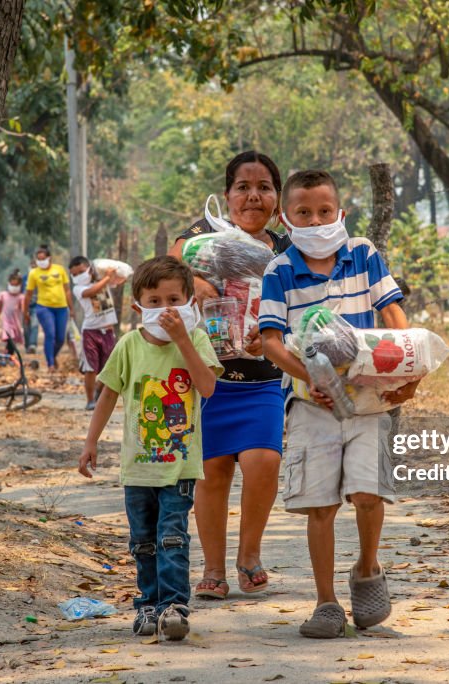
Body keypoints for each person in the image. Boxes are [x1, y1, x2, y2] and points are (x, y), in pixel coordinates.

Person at [258, 169, 421, 638]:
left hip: (371, 400)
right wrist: (314, 377)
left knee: (369, 495)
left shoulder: (363, 254)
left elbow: (392, 314)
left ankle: (367, 570)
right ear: (286, 218)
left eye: (324, 211)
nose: (316, 219)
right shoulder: (280, 269)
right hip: (312, 404)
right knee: (321, 505)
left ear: (340, 212)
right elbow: (271, 341)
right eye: (304, 212)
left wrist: (406, 370)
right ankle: (326, 602)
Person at [167, 150, 290, 598]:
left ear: (277, 199)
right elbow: (167, 269)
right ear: (227, 195)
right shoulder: (201, 238)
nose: (253, 196)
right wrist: (192, 281)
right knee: (212, 472)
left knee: (265, 462)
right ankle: (213, 570)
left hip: (262, 381)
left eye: (264, 188)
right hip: (208, 381)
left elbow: (306, 304)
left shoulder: (285, 250)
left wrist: (277, 332)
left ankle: (249, 555)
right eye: (243, 187)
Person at [79, 256, 222, 640]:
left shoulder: (196, 340)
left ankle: (174, 606)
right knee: (142, 540)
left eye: (174, 299)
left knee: (172, 534)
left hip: (180, 466)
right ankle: (147, 606)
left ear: (190, 302)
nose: (165, 309)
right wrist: (91, 442)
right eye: (155, 301)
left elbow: (207, 387)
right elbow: (108, 393)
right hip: (138, 467)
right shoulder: (128, 345)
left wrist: (181, 340)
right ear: (138, 305)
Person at [69, 256, 124, 410]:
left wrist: (112, 274)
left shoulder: (101, 279)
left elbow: (120, 280)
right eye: (74, 274)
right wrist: (107, 277)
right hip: (90, 332)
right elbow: (92, 291)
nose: (78, 276)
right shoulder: (78, 289)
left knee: (109, 367)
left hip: (107, 331)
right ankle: (90, 400)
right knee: (90, 368)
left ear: (89, 268)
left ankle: (99, 392)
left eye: (81, 271)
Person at [23, 245, 73, 370]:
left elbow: (67, 290)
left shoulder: (60, 269)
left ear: (49, 258)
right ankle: (50, 364)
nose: (41, 261)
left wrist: (71, 308)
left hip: (61, 308)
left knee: (60, 338)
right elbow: (28, 294)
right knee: (50, 334)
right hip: (44, 308)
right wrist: (25, 311)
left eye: (43, 258)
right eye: (38, 259)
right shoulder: (34, 273)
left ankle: (52, 355)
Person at [0, 270, 25, 352]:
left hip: (16, 323)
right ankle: (9, 355)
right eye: (12, 284)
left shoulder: (21, 297)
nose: (14, 287)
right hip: (6, 322)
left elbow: (23, 310)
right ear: (9, 283)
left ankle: (8, 354)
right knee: (9, 337)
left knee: (13, 341)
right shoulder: (3, 295)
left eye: (16, 285)